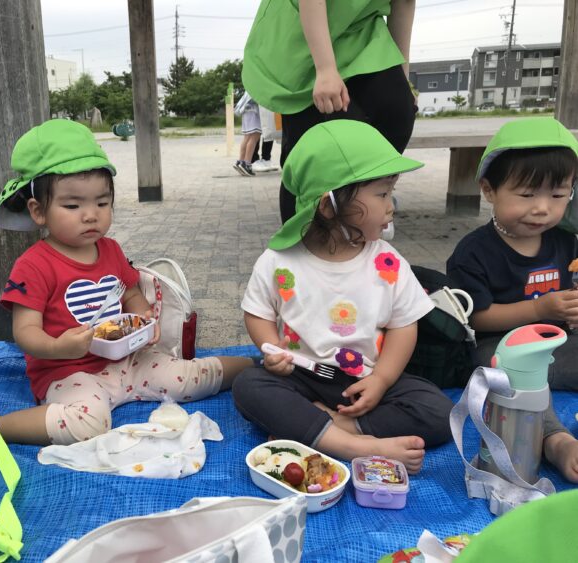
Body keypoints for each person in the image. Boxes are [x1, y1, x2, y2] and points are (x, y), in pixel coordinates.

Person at [0, 119, 252, 446]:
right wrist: (59, 347)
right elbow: (25, 331)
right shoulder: (33, 265)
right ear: (38, 211)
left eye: (102, 203)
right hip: (68, 372)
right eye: (72, 205)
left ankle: (255, 365)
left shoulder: (111, 250)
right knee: (88, 422)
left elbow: (131, 294)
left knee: (188, 377)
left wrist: (146, 321)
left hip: (128, 360)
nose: (91, 214)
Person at [232, 120, 453, 473]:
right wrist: (271, 350)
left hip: (365, 377)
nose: (391, 206)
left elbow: (403, 325)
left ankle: (332, 427)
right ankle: (355, 446)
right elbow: (257, 312)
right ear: (328, 206)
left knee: (438, 411)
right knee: (250, 385)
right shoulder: (278, 261)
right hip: (300, 374)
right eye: (382, 194)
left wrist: (381, 380)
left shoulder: (387, 261)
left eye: (390, 193)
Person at [447, 117, 578, 482]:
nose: (542, 208)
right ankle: (555, 439)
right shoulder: (473, 253)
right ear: (489, 190)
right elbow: (477, 318)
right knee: (512, 376)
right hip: (501, 349)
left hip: (558, 344)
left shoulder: (566, 242)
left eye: (558, 195)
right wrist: (539, 308)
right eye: (527, 195)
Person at [242, 0, 417, 223]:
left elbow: (404, 3)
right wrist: (325, 69)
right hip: (302, 34)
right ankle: (302, 235)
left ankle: (367, 207)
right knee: (316, 147)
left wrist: (403, 76)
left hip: (360, 31)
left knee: (398, 112)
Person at [233, 92, 262, 177]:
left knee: (247, 137)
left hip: (246, 109)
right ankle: (247, 164)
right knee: (254, 137)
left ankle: (240, 162)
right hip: (254, 110)